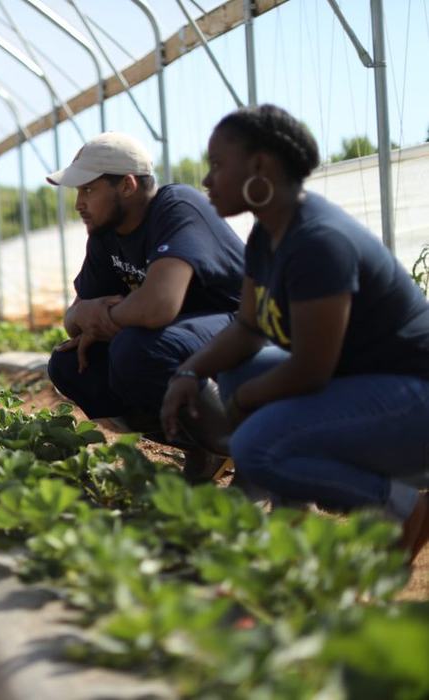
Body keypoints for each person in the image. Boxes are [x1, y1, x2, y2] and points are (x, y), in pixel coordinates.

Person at [161, 104, 429, 562]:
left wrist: (244, 404)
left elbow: (309, 371)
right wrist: (188, 372)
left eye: (218, 165)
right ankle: (292, 521)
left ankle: (405, 510)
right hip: (367, 384)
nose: (207, 180)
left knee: (255, 442)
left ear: (260, 167)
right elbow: (248, 328)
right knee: (240, 371)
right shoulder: (267, 237)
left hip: (414, 399)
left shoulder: (318, 241)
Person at [44, 132, 245, 475]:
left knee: (136, 350)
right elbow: (74, 319)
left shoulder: (177, 207)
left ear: (127, 186)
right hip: (188, 340)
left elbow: (158, 307)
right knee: (70, 364)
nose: (79, 203)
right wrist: (84, 312)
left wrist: (101, 314)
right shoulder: (106, 235)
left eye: (88, 189)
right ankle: (202, 445)